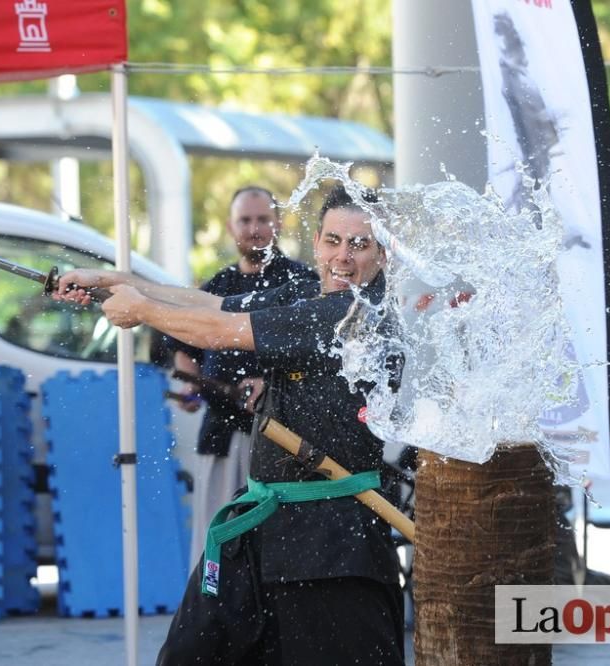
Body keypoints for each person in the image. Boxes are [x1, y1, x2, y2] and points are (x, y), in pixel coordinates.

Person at [55, 184, 404, 666]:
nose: (342, 258)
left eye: (359, 245)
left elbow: (223, 334)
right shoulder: (309, 290)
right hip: (262, 528)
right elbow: (214, 307)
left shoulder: (356, 315)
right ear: (317, 241)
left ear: (383, 254)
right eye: (332, 241)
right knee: (188, 656)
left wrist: (142, 311)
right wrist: (111, 281)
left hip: (334, 546)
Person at [170, 185, 315, 571]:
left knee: (278, 556)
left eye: (263, 219)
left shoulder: (302, 283)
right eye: (245, 220)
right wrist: (190, 382)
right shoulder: (216, 287)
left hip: (285, 443)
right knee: (217, 550)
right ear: (231, 227)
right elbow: (184, 345)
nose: (255, 229)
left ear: (278, 222)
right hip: (222, 435)